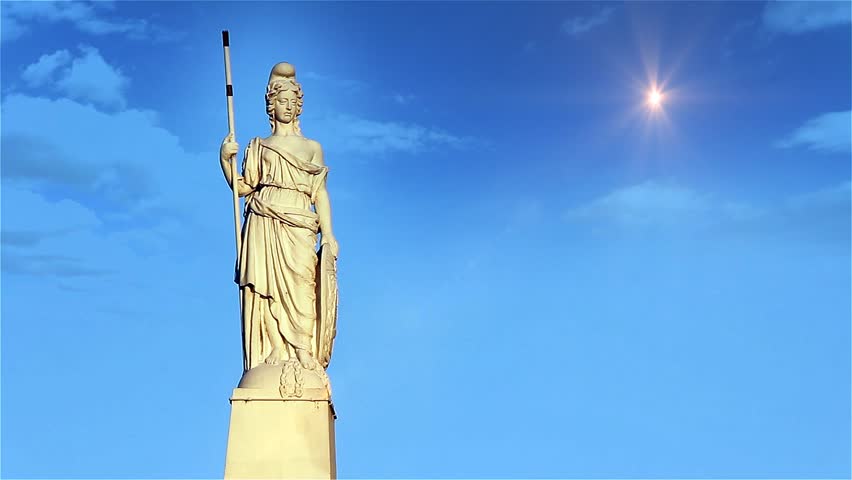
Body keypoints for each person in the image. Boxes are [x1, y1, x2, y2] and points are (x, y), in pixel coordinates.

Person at [219, 62, 338, 372]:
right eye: (281, 101)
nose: (287, 107)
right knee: (265, 285)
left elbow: (320, 192)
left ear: (298, 106)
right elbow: (244, 187)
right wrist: (225, 161)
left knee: (301, 283)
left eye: (292, 102)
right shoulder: (259, 146)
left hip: (299, 218)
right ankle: (274, 345)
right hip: (265, 217)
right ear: (271, 105)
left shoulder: (312, 148)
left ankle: (302, 349)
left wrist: (329, 235)